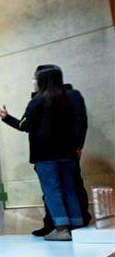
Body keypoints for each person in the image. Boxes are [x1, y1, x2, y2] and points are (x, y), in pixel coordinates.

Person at [0, 65, 83, 241]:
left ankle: (62, 230)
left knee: (52, 191)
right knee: (69, 190)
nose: (33, 81)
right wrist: (78, 146)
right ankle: (78, 230)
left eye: (35, 78)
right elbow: (80, 122)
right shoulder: (70, 98)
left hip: (46, 156)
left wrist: (6, 117)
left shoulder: (38, 100)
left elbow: (24, 125)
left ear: (42, 81)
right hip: (68, 154)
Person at [30, 65, 91, 236]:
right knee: (61, 189)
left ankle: (65, 228)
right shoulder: (47, 97)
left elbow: (80, 121)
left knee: (62, 189)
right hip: (60, 152)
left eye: (35, 78)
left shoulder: (67, 95)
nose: (33, 81)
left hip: (57, 152)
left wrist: (78, 145)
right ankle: (64, 226)